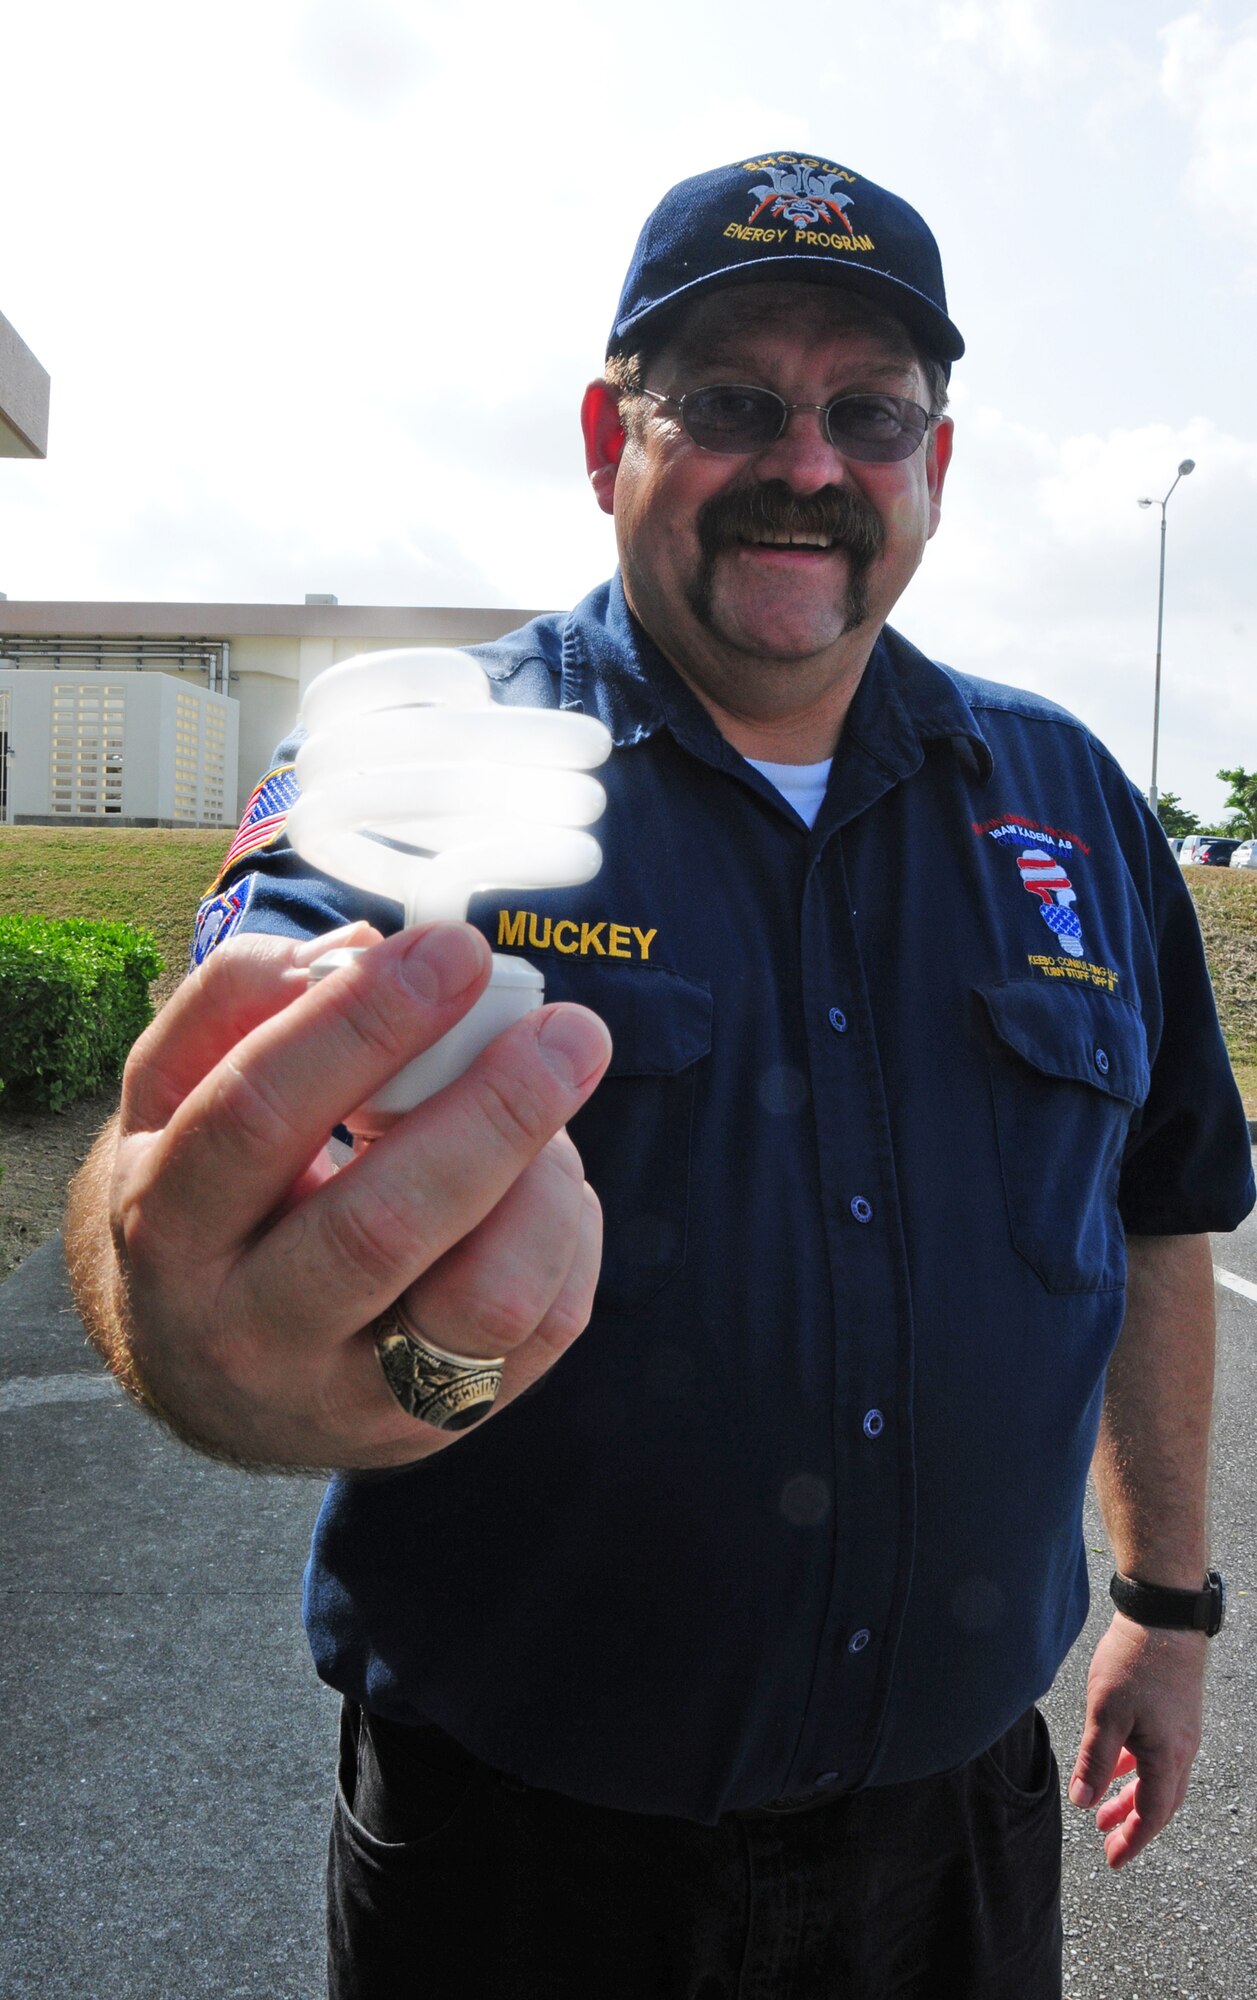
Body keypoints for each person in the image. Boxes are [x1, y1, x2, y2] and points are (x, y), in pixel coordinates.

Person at [65, 150, 1254, 1999]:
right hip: (523, 1867)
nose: (805, 462)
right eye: (727, 402)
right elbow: (218, 1092)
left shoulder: (1069, 801)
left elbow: (1163, 1207)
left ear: (930, 470)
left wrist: (1168, 1610)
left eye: (867, 412)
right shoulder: (434, 772)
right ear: (610, 432)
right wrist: (174, 1285)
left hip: (952, 1839)